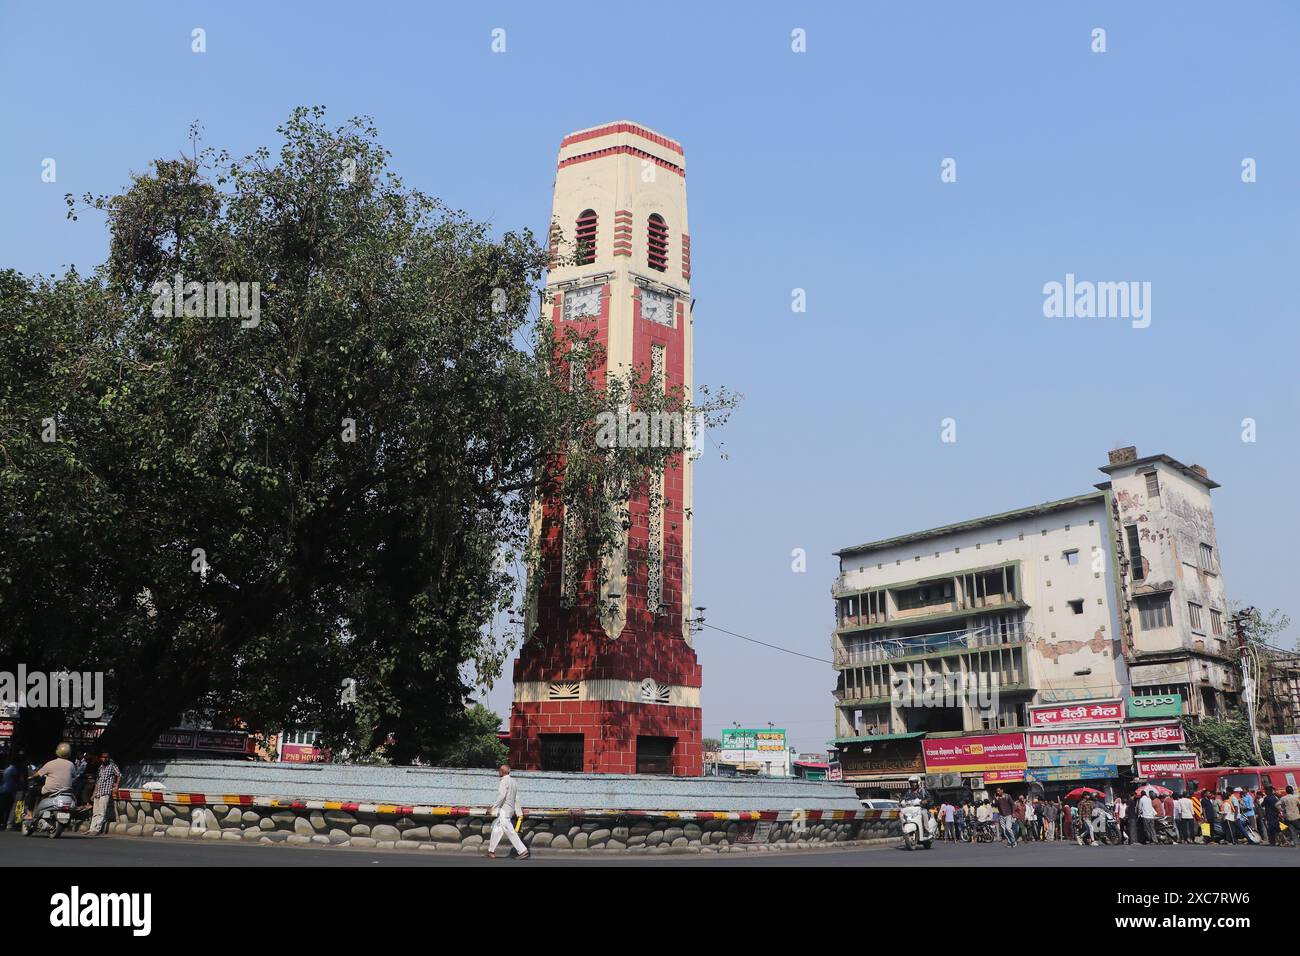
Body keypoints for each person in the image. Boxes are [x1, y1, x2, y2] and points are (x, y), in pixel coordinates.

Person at [486, 764, 528, 860]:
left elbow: (501, 796)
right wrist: (519, 812)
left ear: (502, 771)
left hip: (504, 811)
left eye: (499, 770)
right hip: (509, 810)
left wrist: (492, 808)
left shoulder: (504, 781)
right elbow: (516, 798)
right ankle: (490, 851)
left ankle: (523, 850)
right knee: (496, 829)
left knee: (510, 831)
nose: (498, 772)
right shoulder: (514, 782)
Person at [91, 751, 120, 835]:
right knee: (95, 812)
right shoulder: (100, 767)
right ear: (100, 758)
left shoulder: (112, 765)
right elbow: (97, 781)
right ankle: (91, 828)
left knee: (101, 811)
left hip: (105, 791)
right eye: (103, 757)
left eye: (106, 757)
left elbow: (118, 775)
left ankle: (97, 829)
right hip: (98, 792)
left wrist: (116, 785)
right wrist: (93, 793)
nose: (104, 759)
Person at [0, 751, 22, 831]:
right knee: (8, 808)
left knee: (3, 808)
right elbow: (17, 780)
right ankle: (7, 823)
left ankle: (3, 823)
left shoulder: (7, 769)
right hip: (9, 790)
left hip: (3, 789)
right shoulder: (14, 769)